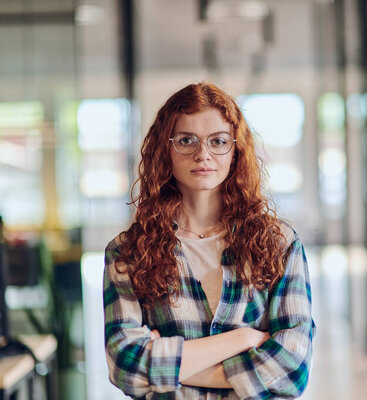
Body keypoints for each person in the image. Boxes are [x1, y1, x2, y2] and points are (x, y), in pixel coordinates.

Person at [103, 82, 315, 399]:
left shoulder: (279, 243)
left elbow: (292, 368)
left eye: (218, 141)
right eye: (187, 140)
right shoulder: (128, 252)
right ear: (166, 149)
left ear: (236, 151)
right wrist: (242, 339)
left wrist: (168, 366)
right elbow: (126, 367)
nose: (203, 154)